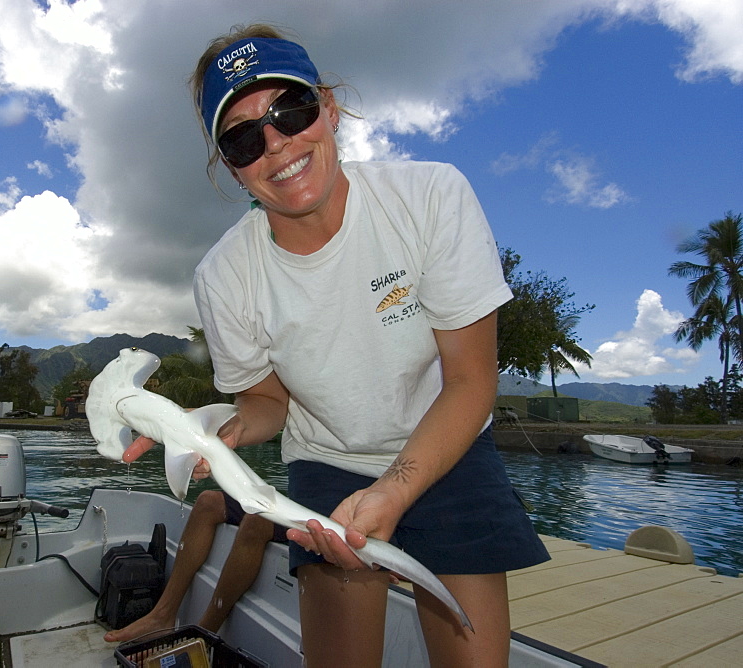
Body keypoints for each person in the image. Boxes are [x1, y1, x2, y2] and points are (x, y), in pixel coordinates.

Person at [124, 23, 550, 667]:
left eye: (289, 112)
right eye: (243, 138)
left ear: (329, 108)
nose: (276, 146)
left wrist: (396, 490)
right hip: (326, 464)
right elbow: (268, 400)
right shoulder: (222, 275)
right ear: (231, 168)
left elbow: (470, 381)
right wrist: (223, 431)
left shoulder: (431, 197)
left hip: (449, 445)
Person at [103, 489, 287, 643]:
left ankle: (202, 636)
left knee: (257, 520)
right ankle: (162, 616)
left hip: (314, 512)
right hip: (300, 496)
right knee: (208, 502)